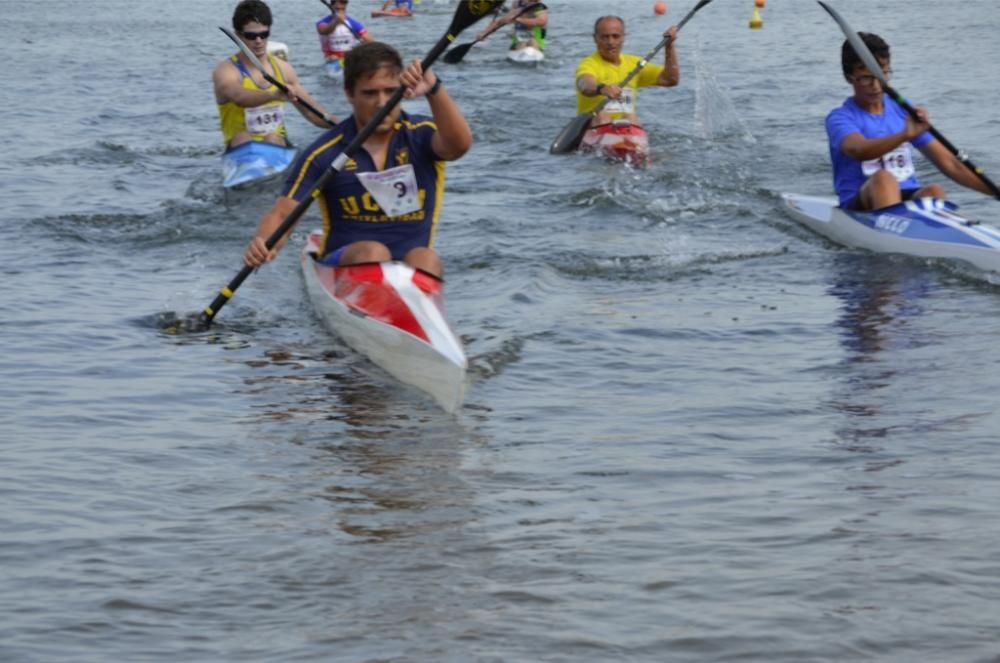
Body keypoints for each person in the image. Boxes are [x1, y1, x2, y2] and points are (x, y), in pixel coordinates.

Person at [243, 42, 472, 278]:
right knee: (374, 252)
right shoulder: (325, 153)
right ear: (349, 94)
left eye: (390, 91)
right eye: (370, 93)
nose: (382, 103)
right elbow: (283, 214)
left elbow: (459, 146)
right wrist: (263, 243)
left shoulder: (421, 135)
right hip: (346, 265)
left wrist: (434, 89)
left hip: (412, 272)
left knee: (426, 258)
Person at [826, 32, 992, 210]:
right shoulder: (840, 118)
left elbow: (950, 164)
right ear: (848, 77)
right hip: (861, 204)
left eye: (882, 75)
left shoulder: (902, 110)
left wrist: (994, 192)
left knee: (934, 191)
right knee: (884, 179)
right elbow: (858, 150)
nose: (875, 86)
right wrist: (904, 135)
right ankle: (891, 233)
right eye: (866, 78)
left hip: (904, 197)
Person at [214, 0, 335, 149]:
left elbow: (312, 113)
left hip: (278, 146)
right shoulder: (226, 71)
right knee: (242, 138)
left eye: (264, 34)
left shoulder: (283, 69)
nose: (259, 41)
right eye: (251, 36)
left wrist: (349, 126)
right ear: (238, 35)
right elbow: (238, 97)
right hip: (240, 150)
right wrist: (272, 96)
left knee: (272, 138)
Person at [575, 16, 680, 127]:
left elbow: (670, 79)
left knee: (631, 117)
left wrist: (669, 47)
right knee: (602, 117)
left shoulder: (635, 64)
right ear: (595, 38)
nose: (611, 42)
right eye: (605, 37)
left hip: (625, 130)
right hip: (594, 127)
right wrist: (601, 88)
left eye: (615, 36)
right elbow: (584, 84)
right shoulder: (588, 64)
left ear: (623, 38)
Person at [477, 1, 549, 53]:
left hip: (536, 45)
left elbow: (542, 21)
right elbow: (499, 22)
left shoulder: (539, 7)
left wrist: (518, 19)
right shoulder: (518, 7)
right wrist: (484, 33)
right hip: (518, 44)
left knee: (531, 41)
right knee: (522, 43)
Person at [317, 0, 372, 66]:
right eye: (337, 9)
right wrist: (335, 22)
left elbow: (371, 41)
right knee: (333, 58)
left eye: (343, 9)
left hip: (349, 58)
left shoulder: (353, 23)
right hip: (332, 59)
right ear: (332, 7)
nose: (340, 11)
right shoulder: (323, 22)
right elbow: (324, 31)